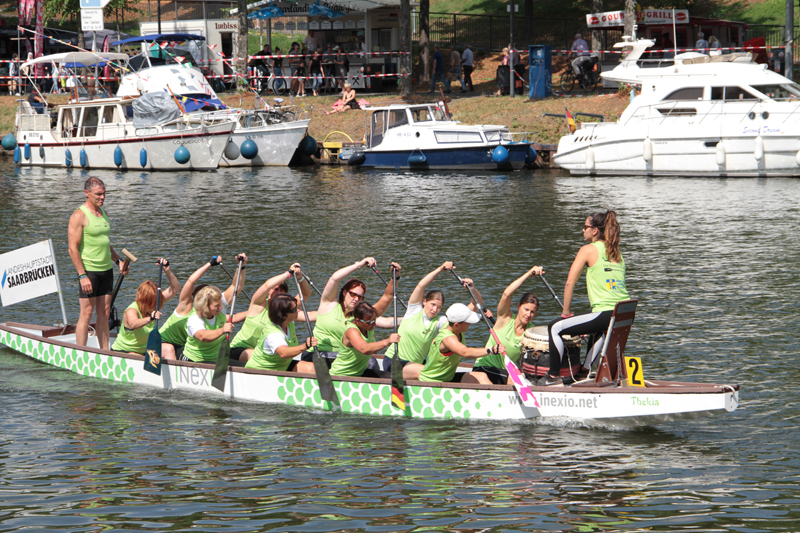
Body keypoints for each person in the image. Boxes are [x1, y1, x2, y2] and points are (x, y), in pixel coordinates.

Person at [544, 210, 629, 386]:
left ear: (595, 231)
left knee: (554, 327)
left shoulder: (588, 249)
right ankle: (584, 371)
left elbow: (569, 282)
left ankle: (552, 378)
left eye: (585, 227)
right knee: (600, 328)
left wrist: (566, 312)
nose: (583, 230)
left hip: (606, 312)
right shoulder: (617, 252)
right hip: (625, 312)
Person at [67, 177, 128, 350]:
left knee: (104, 313)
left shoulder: (103, 213)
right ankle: (81, 353)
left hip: (106, 270)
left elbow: (105, 243)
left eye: (104, 194)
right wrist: (82, 275)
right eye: (98, 194)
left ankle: (104, 352)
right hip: (89, 272)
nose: (102, 197)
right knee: (86, 314)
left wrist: (118, 261)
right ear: (86, 193)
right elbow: (72, 248)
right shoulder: (79, 216)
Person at [305, 258, 399, 365]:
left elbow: (387, 297)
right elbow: (334, 279)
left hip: (342, 357)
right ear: (345, 292)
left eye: (360, 297)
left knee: (370, 362)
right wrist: (359, 265)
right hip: (316, 353)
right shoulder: (329, 304)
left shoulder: (360, 316)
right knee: (371, 362)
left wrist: (395, 277)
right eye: (353, 294)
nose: (356, 299)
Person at [160, 255, 247, 361]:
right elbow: (190, 281)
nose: (220, 307)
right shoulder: (186, 307)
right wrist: (209, 264)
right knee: (171, 349)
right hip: (167, 343)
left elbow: (236, 287)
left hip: (188, 343)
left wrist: (241, 266)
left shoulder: (216, 305)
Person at [469, 266, 544, 385]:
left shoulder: (531, 331)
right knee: (516, 380)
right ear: (518, 306)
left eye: (532, 312)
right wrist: (528, 274)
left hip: (505, 373)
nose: (528, 314)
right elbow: (506, 294)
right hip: (485, 368)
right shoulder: (504, 318)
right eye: (526, 309)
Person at [382, 261, 454, 380]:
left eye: (439, 307)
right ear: (424, 302)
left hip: (414, 366)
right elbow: (421, 285)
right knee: (428, 372)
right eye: (432, 304)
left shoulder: (440, 321)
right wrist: (440, 269)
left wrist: (473, 294)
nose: (435, 310)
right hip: (394, 362)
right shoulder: (414, 310)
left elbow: (459, 319)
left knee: (435, 370)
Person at [229, 263, 311, 363]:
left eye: (282, 290)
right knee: (266, 357)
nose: (279, 293)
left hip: (269, 352)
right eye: (276, 289)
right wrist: (289, 274)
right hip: (242, 349)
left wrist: (300, 277)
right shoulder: (258, 304)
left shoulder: (288, 307)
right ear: (268, 291)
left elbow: (306, 294)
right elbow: (267, 285)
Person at [418, 302, 504, 384]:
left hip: (448, 378)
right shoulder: (448, 338)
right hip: (432, 382)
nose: (470, 324)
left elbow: (475, 303)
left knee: (481, 376)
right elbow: (465, 352)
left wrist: (482, 317)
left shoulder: (453, 325)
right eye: (467, 323)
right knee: (480, 377)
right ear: (456, 325)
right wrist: (491, 350)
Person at [111, 258, 179, 355]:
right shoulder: (132, 310)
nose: (156, 304)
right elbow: (134, 324)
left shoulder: (154, 303)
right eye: (152, 301)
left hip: (145, 350)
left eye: (156, 300)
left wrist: (167, 270)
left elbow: (175, 288)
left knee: (169, 349)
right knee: (136, 357)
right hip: (125, 351)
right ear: (144, 300)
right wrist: (150, 318)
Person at [245, 294, 317, 373]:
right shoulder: (274, 335)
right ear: (283, 316)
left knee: (312, 368)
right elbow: (284, 353)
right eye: (294, 310)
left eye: (296, 307)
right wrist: (305, 346)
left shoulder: (287, 322)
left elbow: (306, 294)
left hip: (281, 366)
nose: (298, 311)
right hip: (261, 371)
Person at [330, 302, 400, 378]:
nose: (374, 324)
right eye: (369, 322)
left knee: (389, 377)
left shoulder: (368, 327)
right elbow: (364, 349)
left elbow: (386, 299)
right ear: (358, 321)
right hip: (341, 375)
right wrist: (387, 341)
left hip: (359, 373)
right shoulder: (351, 331)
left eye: (374, 320)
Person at [182, 283, 246, 364]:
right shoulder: (194, 318)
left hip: (217, 359)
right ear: (205, 305)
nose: (221, 307)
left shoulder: (218, 309)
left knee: (247, 367)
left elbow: (237, 285)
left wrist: (257, 310)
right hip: (195, 360)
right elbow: (203, 337)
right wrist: (222, 330)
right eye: (217, 305)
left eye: (220, 304)